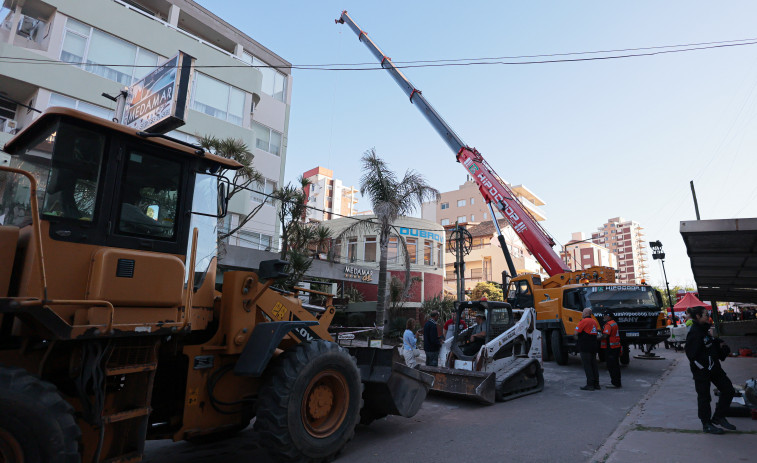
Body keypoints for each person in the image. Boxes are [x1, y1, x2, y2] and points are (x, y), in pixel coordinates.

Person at [685, 305, 736, 434]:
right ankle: (706, 424)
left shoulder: (705, 330)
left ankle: (718, 417)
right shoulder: (695, 333)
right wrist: (702, 368)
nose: (708, 317)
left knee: (728, 389)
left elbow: (713, 350)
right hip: (702, 372)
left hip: (714, 369)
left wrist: (723, 349)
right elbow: (691, 354)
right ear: (698, 316)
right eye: (706, 315)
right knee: (704, 397)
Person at [575, 308, 600, 391]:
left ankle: (590, 385)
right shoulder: (594, 322)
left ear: (585, 313)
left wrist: (575, 338)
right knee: (594, 365)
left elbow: (576, 333)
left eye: (583, 312)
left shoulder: (583, 321)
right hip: (593, 346)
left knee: (587, 366)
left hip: (585, 346)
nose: (582, 313)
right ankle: (596, 384)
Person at [599, 312, 622, 388]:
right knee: (616, 365)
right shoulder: (614, 323)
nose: (603, 317)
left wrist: (597, 337)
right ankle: (617, 382)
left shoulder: (608, 325)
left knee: (611, 366)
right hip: (616, 347)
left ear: (608, 316)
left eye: (605, 316)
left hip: (610, 348)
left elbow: (605, 335)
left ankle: (615, 383)